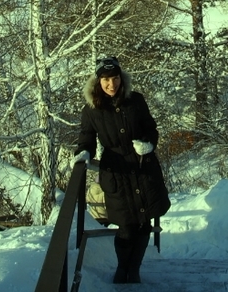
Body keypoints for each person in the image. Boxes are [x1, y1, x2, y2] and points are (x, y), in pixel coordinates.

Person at [73, 56, 171, 284]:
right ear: (98, 81)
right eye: (106, 79)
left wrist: (148, 143)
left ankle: (134, 269)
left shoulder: (135, 100)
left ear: (121, 78)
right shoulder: (91, 109)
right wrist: (83, 154)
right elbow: (86, 137)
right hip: (117, 172)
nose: (111, 84)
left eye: (115, 78)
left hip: (143, 169)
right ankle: (122, 268)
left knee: (144, 224)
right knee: (126, 226)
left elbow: (151, 129)